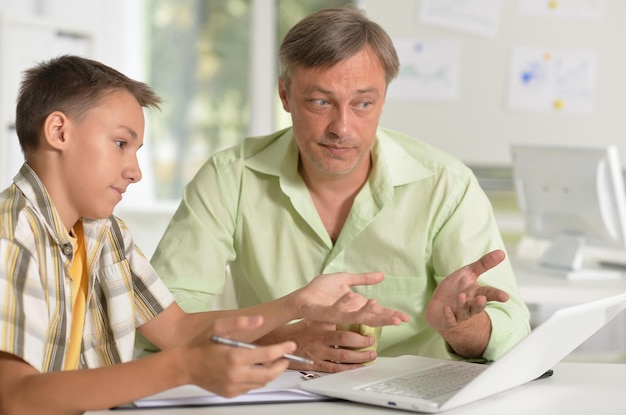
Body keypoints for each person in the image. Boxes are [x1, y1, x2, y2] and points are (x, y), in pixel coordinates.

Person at [0, 55, 410, 415]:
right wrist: (185, 367)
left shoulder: (105, 234)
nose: (135, 170)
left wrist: (296, 303)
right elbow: (15, 400)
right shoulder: (11, 239)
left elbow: (177, 331)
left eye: (137, 150)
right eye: (121, 143)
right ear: (58, 131)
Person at [145, 6, 531, 373]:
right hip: (271, 391)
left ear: (383, 99)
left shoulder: (446, 184)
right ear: (285, 95)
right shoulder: (230, 177)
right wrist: (281, 342)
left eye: (363, 103)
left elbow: (512, 335)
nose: (342, 127)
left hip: (409, 401)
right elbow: (163, 321)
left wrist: (460, 329)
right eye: (320, 101)